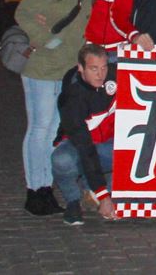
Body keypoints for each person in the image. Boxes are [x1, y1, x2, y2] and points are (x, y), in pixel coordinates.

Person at [13, 0, 92, 216]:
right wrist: (46, 39)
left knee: (52, 130)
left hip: (67, 68)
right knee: (40, 127)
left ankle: (46, 187)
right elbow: (24, 13)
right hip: (43, 66)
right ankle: (35, 190)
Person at [51, 43, 117, 225]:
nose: (100, 74)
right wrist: (103, 196)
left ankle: (111, 194)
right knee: (62, 160)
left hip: (107, 143)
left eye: (103, 68)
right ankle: (73, 201)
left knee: (135, 153)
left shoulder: (114, 74)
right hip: (80, 146)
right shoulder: (71, 98)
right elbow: (85, 146)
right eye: (93, 69)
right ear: (80, 68)